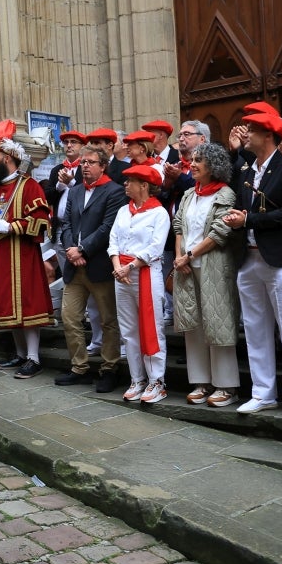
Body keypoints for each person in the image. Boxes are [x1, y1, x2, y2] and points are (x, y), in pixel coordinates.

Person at [224, 106, 282, 418]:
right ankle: (263, 392)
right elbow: (244, 208)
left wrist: (247, 219)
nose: (245, 133)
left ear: (269, 135)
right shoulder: (247, 171)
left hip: (281, 259)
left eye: (251, 129)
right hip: (249, 259)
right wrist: (237, 217)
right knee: (254, 329)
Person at [172, 141, 241, 406]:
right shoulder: (190, 194)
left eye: (199, 160)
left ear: (214, 167)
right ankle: (201, 382)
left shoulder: (225, 194)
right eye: (193, 159)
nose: (193, 164)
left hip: (213, 266)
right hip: (186, 266)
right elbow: (178, 225)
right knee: (194, 324)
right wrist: (180, 257)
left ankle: (226, 386)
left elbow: (219, 233)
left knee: (218, 322)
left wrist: (189, 256)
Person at [55, 145, 126, 393]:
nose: (84, 166)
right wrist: (71, 251)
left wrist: (83, 249)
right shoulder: (74, 192)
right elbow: (65, 225)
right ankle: (79, 367)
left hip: (99, 266)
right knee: (70, 317)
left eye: (90, 162)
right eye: (83, 162)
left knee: (108, 320)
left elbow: (108, 228)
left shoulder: (114, 191)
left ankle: (109, 368)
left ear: (103, 166)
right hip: (75, 268)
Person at [0, 133, 53, 379]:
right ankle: (21, 354)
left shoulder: (29, 186)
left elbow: (42, 221)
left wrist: (13, 227)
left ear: (9, 159)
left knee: (27, 306)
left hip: (22, 258)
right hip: (1, 260)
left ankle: (34, 357)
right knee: (7, 308)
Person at [109, 163, 170, 403]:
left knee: (152, 326)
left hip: (145, 273)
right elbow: (113, 239)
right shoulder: (124, 211)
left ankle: (157, 381)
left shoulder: (159, 213)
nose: (125, 184)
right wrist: (117, 267)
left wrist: (131, 266)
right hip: (121, 274)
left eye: (130, 181)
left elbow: (155, 247)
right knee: (129, 329)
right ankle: (137, 379)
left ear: (144, 185)